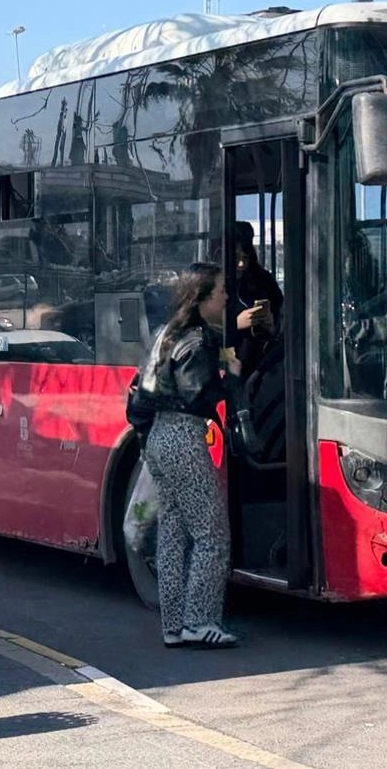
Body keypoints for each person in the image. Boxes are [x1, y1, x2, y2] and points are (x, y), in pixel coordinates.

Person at [134, 263, 240, 649]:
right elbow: (199, 394)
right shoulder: (197, 342)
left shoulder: (167, 333)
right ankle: (200, 621)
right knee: (212, 534)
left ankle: (174, 625)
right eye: (222, 291)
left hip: (159, 435)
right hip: (183, 437)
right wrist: (230, 373)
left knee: (174, 533)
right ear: (202, 297)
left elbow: (142, 388)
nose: (227, 296)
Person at [231, 222, 283, 371]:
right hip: (228, 355)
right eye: (235, 258)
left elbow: (281, 310)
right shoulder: (217, 281)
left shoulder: (262, 279)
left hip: (262, 356)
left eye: (245, 258)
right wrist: (234, 324)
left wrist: (272, 324)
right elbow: (206, 325)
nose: (241, 264)